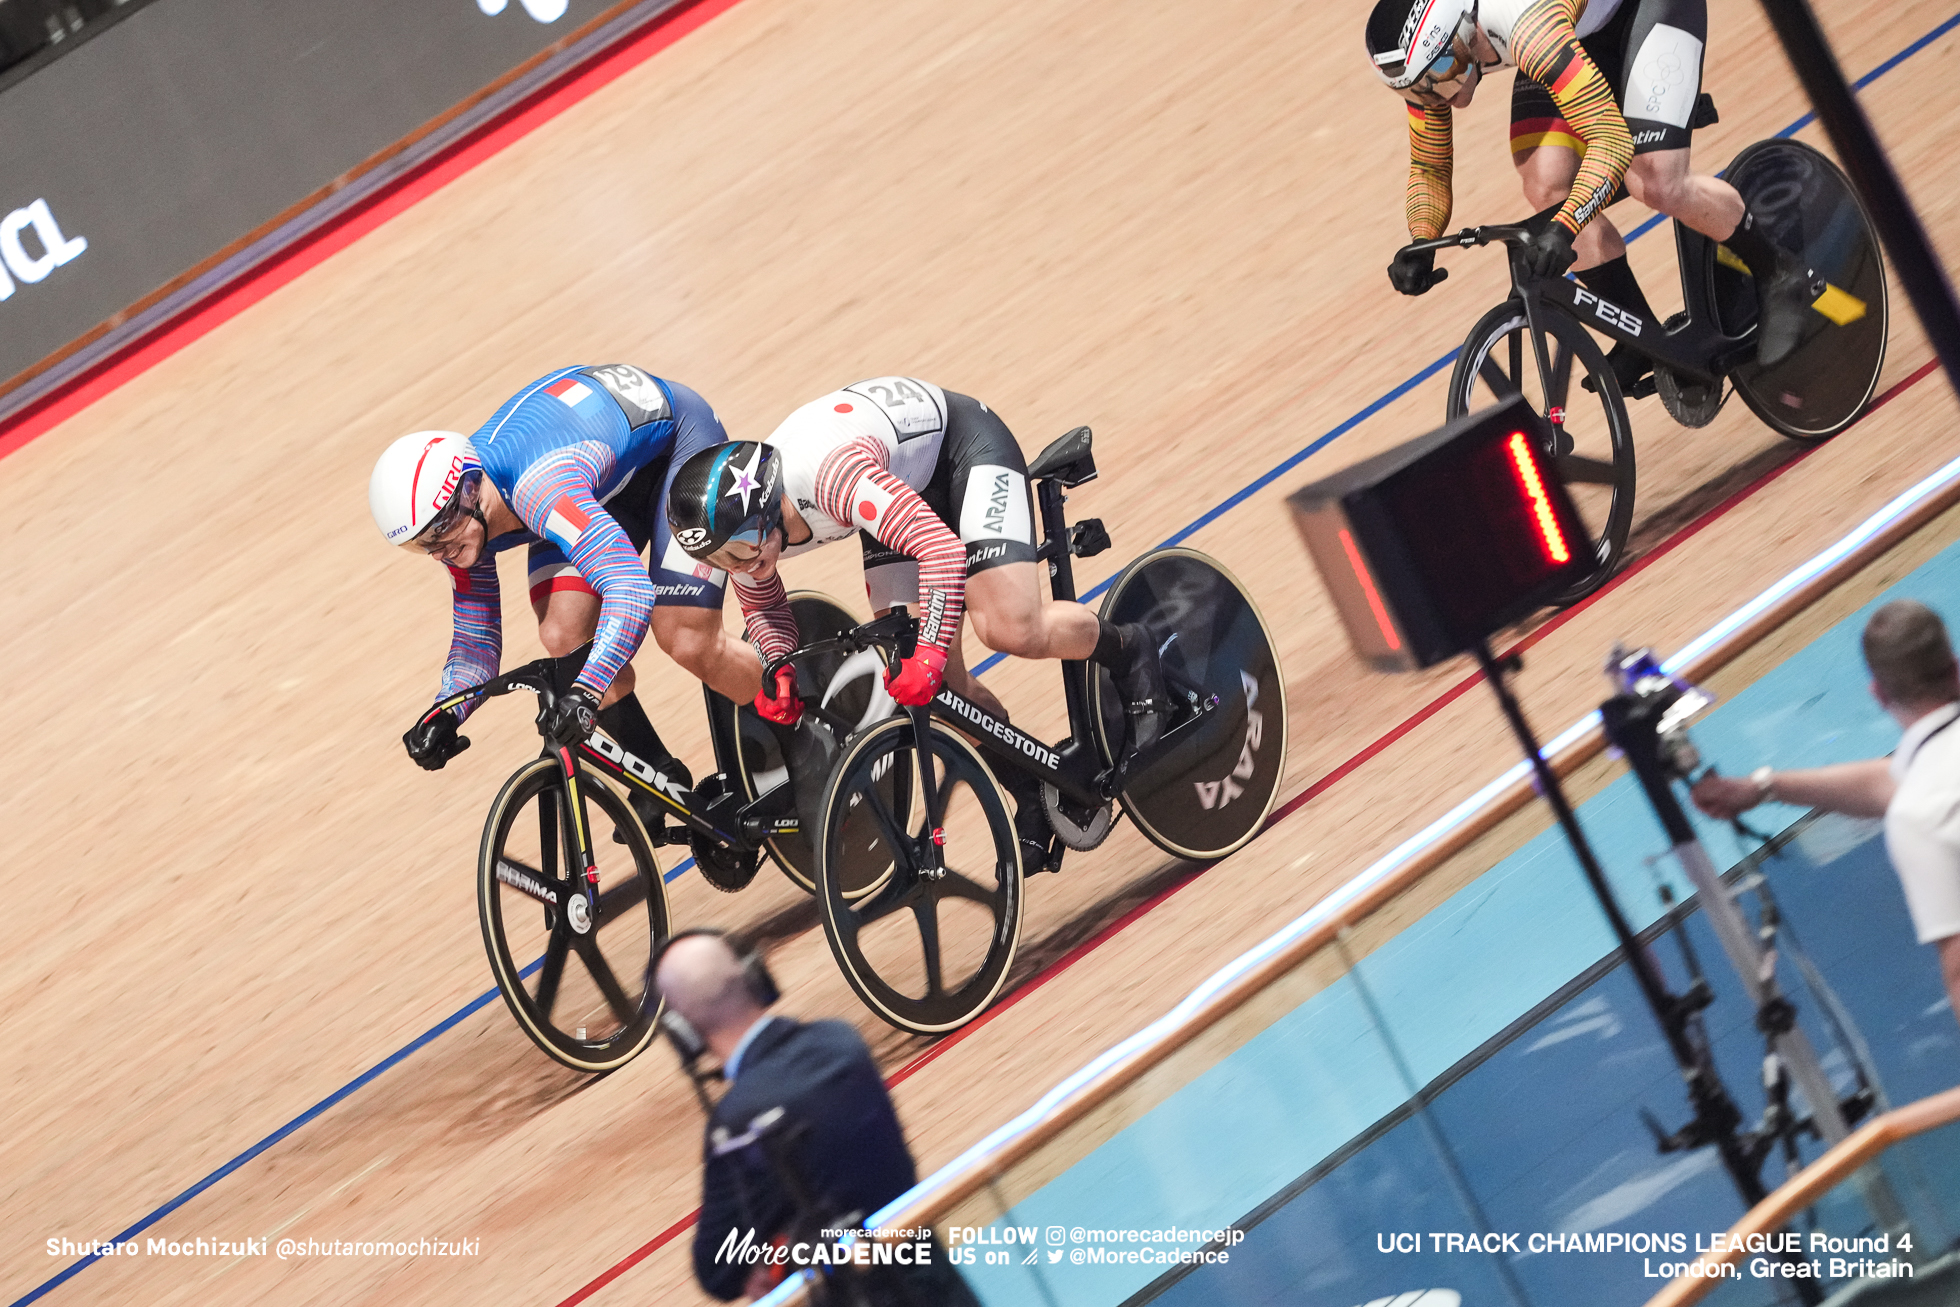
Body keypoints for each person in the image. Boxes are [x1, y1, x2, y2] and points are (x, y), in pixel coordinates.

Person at [663, 378, 1164, 872]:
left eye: (745, 549)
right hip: (895, 487)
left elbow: (940, 552)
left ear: (769, 507)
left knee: (1007, 627)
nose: (741, 566)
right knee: (940, 690)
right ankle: (1032, 791)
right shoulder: (745, 538)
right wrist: (779, 667)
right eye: (723, 559)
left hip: (961, 453)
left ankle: (1133, 650)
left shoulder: (829, 480)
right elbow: (764, 606)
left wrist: (930, 651)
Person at [1364, 0, 1823, 382]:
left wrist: (1565, 229)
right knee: (1545, 184)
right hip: (1577, 29)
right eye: (1421, 91)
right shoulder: (1430, 63)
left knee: (1656, 180)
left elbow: (1611, 140)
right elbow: (1428, 166)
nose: (1439, 97)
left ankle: (1779, 270)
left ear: (1465, 31)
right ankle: (1642, 335)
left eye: (1443, 75)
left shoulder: (1525, 26)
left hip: (1643, 9)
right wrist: (1422, 239)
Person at [368, 365, 762, 800]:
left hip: (677, 447)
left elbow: (630, 590)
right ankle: (659, 774)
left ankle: (798, 729)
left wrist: (586, 693)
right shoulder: (458, 529)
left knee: (684, 635)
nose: (440, 552)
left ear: (470, 490)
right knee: (562, 634)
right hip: (606, 484)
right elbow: (476, 645)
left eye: (439, 531)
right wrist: (446, 712)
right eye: (422, 544)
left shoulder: (539, 487)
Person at [656, 932, 973, 1304]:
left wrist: (779, 1251)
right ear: (755, 977)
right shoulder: (841, 1041)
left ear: (683, 1033)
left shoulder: (738, 1120)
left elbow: (718, 1268)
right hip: (935, 1278)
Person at [1692, 600, 1960, 1029]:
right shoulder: (1926, 789)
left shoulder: (1920, 814)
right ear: (1955, 667)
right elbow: (1889, 782)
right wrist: (1763, 788)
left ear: (1877, 693)